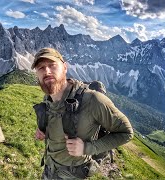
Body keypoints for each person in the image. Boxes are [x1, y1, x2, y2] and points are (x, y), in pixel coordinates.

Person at [32, 47, 133, 179]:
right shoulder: (48, 98)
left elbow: (126, 132)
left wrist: (86, 148)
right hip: (49, 170)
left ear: (65, 67)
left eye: (52, 65)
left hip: (73, 175)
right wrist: (45, 132)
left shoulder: (93, 100)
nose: (47, 71)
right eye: (41, 68)